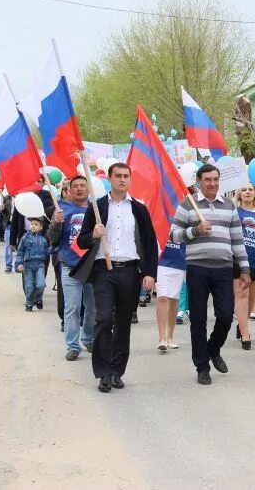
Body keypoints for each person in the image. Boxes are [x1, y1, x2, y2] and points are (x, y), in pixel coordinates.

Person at [71, 163, 158, 393]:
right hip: (104, 270)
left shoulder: (138, 209)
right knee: (102, 319)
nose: (122, 180)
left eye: (126, 176)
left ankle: (117, 371)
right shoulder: (98, 207)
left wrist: (149, 273)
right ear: (109, 178)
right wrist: (93, 235)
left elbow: (149, 242)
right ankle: (103, 372)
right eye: (117, 176)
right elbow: (81, 241)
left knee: (123, 323)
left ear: (130, 179)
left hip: (129, 270)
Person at [170, 164, 250, 385]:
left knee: (225, 315)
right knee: (198, 319)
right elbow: (174, 235)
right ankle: (202, 366)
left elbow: (237, 239)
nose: (212, 183)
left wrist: (244, 268)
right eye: (208, 180)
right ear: (198, 181)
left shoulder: (229, 206)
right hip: (197, 268)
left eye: (216, 179)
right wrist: (195, 230)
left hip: (224, 268)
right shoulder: (188, 204)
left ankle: (213, 348)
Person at [47, 176, 96, 361]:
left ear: (88, 189)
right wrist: (56, 223)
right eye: (75, 186)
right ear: (69, 190)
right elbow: (51, 237)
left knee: (92, 307)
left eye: (83, 185)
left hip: (91, 266)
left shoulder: (96, 210)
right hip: (69, 266)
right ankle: (73, 345)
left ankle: (89, 338)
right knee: (72, 307)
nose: (79, 189)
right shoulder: (62, 209)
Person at [233, 183, 255, 350]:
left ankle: (241, 324)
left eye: (250, 189)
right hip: (238, 260)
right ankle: (245, 334)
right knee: (241, 295)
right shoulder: (235, 212)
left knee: (252, 298)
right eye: (244, 189)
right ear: (239, 194)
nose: (247, 192)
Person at [155, 240, 186, 351]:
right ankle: (162, 338)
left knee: (174, 300)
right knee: (162, 298)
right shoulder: (161, 221)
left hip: (180, 262)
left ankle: (170, 337)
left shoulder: (184, 222)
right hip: (161, 262)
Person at [15, 217, 49, 312]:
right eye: (32, 224)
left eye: (36, 224)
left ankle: (38, 299)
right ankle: (29, 302)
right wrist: (19, 263)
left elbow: (47, 252)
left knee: (41, 284)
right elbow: (20, 251)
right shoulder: (25, 238)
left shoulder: (43, 240)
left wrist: (55, 248)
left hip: (40, 265)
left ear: (41, 227)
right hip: (28, 265)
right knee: (29, 286)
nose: (33, 226)